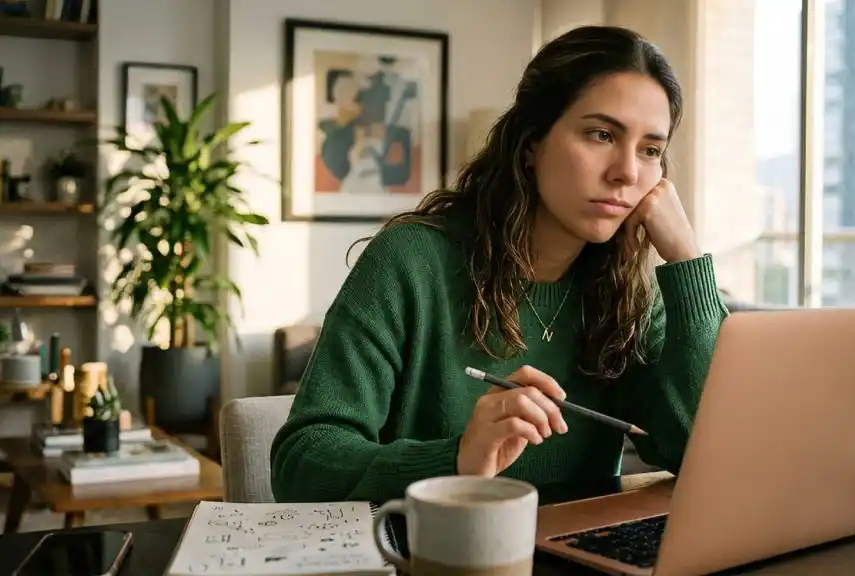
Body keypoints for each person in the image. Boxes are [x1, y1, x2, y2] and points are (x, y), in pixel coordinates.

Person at [270, 25, 729, 504]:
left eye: (650, 150)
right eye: (601, 134)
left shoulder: (629, 293)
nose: (627, 172)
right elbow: (301, 464)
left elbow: (710, 454)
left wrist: (687, 260)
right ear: (532, 142)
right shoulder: (409, 261)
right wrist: (459, 459)